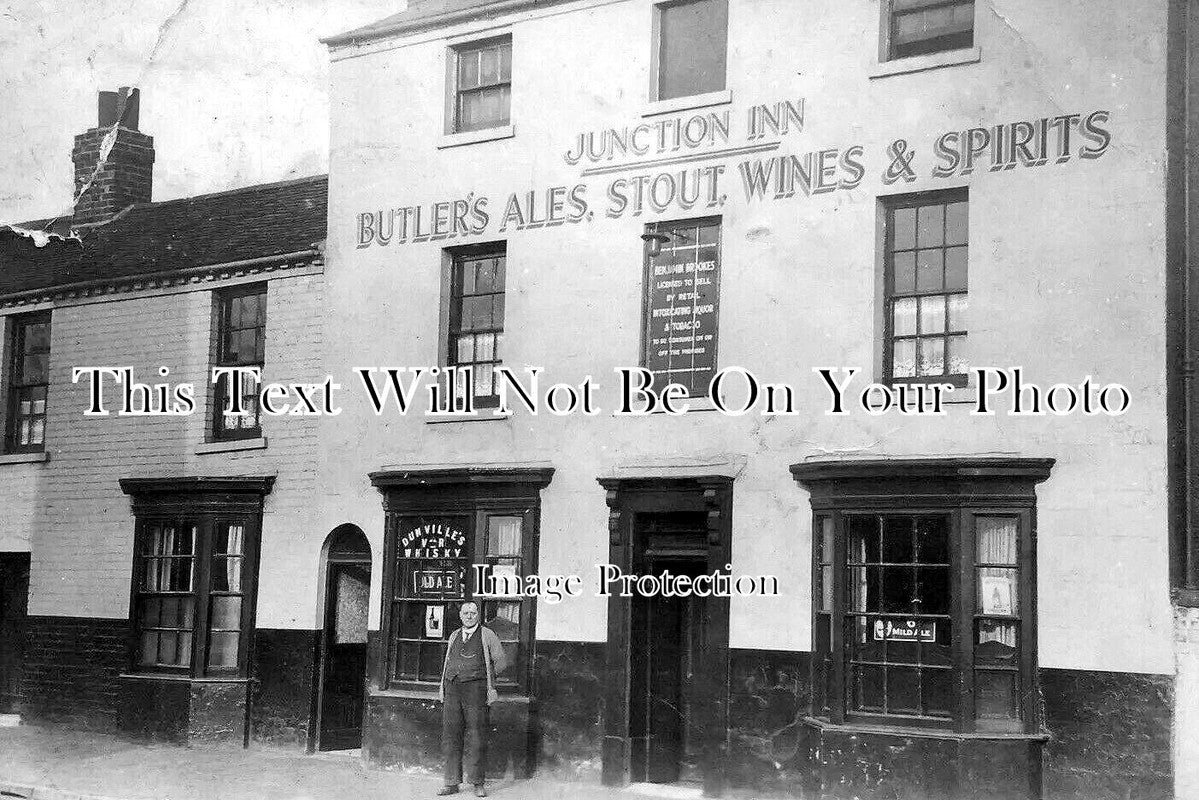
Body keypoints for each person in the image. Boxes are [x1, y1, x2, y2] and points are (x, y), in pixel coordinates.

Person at [437, 601, 508, 797]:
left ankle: (477, 782)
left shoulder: (487, 635)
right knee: (451, 736)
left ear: (478, 615)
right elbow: (447, 663)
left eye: (473, 613)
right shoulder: (454, 636)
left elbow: (501, 661)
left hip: (476, 691)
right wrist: (443, 687)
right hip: (452, 690)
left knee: (477, 737)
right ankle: (451, 782)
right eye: (466, 613)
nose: (469, 616)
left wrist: (487, 680)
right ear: (460, 615)